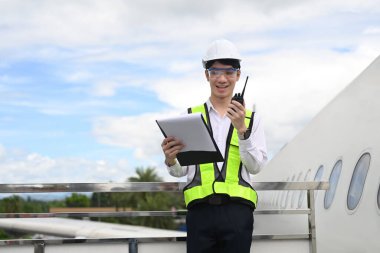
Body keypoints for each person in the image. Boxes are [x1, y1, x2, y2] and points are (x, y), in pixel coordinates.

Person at [161, 39, 267, 253]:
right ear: (206, 74)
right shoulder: (189, 117)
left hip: (238, 212)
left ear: (238, 75)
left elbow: (256, 167)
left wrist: (241, 130)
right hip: (200, 213)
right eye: (215, 71)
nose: (221, 78)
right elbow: (181, 170)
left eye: (228, 72)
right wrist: (171, 159)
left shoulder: (251, 119)